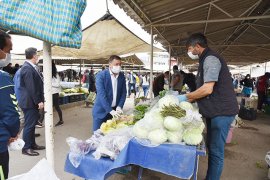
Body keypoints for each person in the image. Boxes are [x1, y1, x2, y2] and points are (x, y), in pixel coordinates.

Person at [178, 33, 238, 180]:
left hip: (222, 112)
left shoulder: (211, 59)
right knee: (212, 148)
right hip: (214, 111)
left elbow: (207, 89)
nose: (190, 52)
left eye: (190, 49)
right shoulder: (205, 59)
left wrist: (185, 97)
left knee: (216, 152)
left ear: (197, 46)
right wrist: (189, 100)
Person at [0, 30, 20, 179]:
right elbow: (11, 113)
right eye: (8, 50)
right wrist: (13, 133)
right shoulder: (3, 78)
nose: (8, 55)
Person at [19, 47, 45, 156]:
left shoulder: (30, 67)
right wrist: (38, 101)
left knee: (32, 124)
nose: (38, 56)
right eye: (37, 55)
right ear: (34, 56)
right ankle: (26, 148)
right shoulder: (27, 68)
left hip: (31, 101)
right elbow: (31, 87)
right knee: (29, 125)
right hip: (29, 102)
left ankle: (32, 144)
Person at [92, 55, 127, 131]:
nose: (118, 66)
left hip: (115, 113)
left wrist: (119, 106)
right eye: (116, 64)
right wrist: (110, 110)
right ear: (110, 65)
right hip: (101, 111)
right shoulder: (101, 76)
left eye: (120, 64)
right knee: (97, 136)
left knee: (111, 137)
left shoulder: (121, 76)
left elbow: (123, 93)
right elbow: (101, 95)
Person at [52, 62, 64, 127]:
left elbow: (57, 84)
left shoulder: (56, 75)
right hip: (50, 93)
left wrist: (49, 83)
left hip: (54, 93)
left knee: (57, 107)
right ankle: (40, 121)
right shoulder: (49, 74)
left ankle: (61, 120)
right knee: (47, 107)